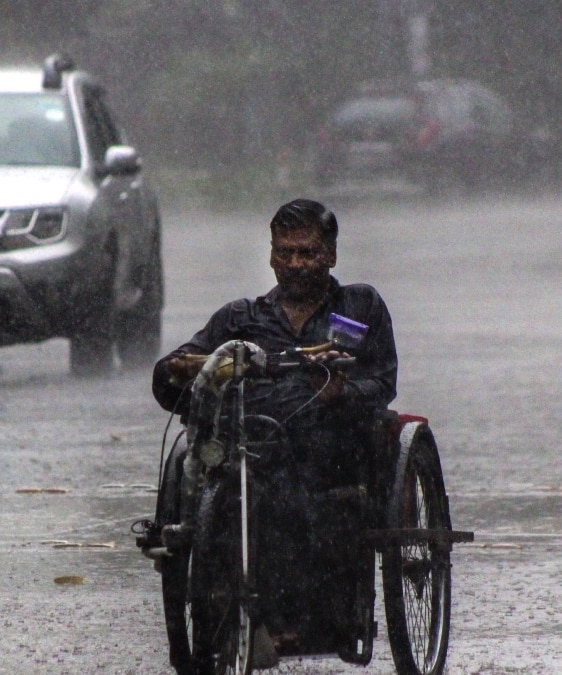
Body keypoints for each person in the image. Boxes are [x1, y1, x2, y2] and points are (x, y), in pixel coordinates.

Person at [152, 198, 397, 664]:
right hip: (249, 443)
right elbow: (187, 365)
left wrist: (340, 394)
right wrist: (175, 370)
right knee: (202, 457)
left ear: (330, 256)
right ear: (270, 255)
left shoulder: (360, 306)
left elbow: (383, 382)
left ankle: (285, 614)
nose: (295, 264)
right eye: (285, 253)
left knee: (286, 482)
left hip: (330, 450)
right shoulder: (241, 319)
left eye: (307, 253)